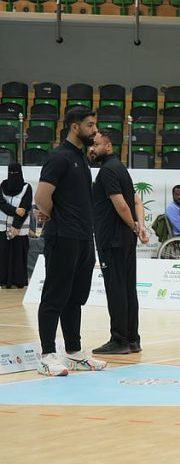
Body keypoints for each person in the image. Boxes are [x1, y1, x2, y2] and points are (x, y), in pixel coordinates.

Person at [33, 107, 107, 377]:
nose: (95, 130)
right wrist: (58, 217)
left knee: (75, 298)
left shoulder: (81, 157)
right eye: (90, 125)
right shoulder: (59, 157)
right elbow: (41, 198)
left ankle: (74, 352)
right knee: (55, 296)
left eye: (95, 125)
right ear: (75, 127)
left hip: (84, 238)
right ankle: (47, 355)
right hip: (63, 237)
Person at [89, 128, 148, 355]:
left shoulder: (106, 171)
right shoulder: (120, 168)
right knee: (127, 289)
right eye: (91, 145)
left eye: (96, 145)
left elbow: (122, 205)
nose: (92, 149)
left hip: (112, 240)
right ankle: (132, 339)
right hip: (125, 239)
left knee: (116, 290)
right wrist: (140, 226)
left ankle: (119, 340)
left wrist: (134, 225)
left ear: (108, 146)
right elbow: (137, 201)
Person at [0, 163, 32, 289]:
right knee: (4, 255)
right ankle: (4, 281)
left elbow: (25, 208)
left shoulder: (26, 188)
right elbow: (1, 204)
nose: (13, 175)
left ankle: (18, 281)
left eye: (16, 173)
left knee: (18, 256)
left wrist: (16, 227)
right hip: (3, 229)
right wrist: (15, 210)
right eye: (11, 173)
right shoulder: (2, 186)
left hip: (19, 230)